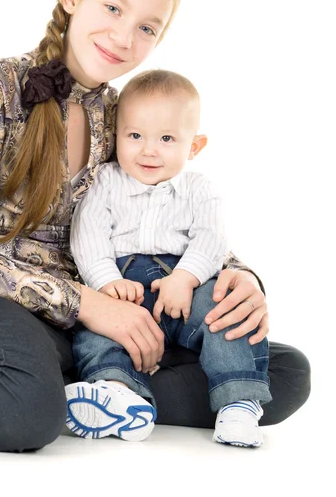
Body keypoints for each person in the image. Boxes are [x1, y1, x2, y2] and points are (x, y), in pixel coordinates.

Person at [0, 0, 309, 453]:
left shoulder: (121, 113)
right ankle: (49, 386)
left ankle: (103, 390)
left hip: (102, 304)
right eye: (112, 7)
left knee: (285, 371)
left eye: (146, 28)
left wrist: (239, 277)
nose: (122, 36)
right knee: (23, 411)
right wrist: (83, 303)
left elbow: (169, 206)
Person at [68, 69, 272, 447]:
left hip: (182, 287)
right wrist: (106, 282)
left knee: (225, 314)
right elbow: (88, 235)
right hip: (124, 286)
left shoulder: (198, 188)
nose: (149, 149)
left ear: (193, 146)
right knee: (96, 332)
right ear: (116, 137)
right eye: (135, 136)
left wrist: (186, 278)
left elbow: (211, 239)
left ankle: (239, 402)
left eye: (166, 138)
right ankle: (118, 392)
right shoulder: (105, 181)